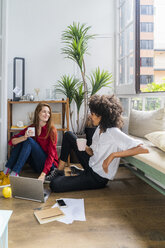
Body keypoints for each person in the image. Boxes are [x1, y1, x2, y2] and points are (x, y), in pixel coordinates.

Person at [49, 94, 149, 193]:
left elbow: (143, 148)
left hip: (97, 178)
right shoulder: (99, 129)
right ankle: (60, 171)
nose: (90, 116)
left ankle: (81, 175)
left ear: (101, 116)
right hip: (91, 164)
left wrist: (113, 155)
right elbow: (92, 152)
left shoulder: (114, 132)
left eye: (92, 114)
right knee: (68, 135)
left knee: (54, 184)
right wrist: (84, 146)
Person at [0, 103, 59, 186]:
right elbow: (12, 141)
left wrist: (43, 174)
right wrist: (24, 137)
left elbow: (51, 155)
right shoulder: (32, 127)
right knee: (23, 138)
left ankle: (15, 173)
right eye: (44, 112)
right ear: (38, 113)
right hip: (36, 164)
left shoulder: (52, 130)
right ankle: (6, 171)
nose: (47, 115)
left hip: (48, 167)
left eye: (48, 112)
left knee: (29, 141)